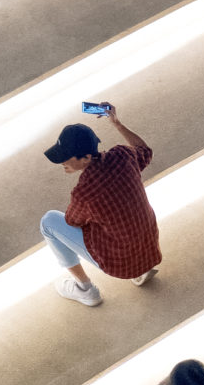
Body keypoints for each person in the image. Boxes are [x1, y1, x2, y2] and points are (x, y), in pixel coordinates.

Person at [40, 104, 160, 305]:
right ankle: (141, 269)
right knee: (119, 215)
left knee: (49, 222)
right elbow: (144, 150)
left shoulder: (85, 192)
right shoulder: (124, 155)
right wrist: (117, 124)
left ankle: (85, 289)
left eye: (65, 158)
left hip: (120, 264)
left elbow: (72, 221)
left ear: (86, 157)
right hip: (149, 250)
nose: (62, 163)